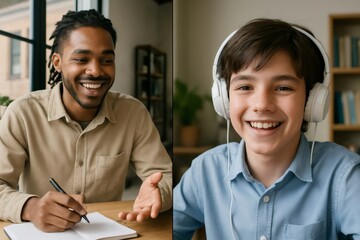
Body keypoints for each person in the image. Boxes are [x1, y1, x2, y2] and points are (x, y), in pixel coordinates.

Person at [173, 18, 360, 240]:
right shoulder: (206, 171)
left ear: (312, 101)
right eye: (245, 87)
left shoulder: (344, 175)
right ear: (224, 99)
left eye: (283, 87)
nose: (262, 105)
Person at [0, 9, 172, 232]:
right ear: (57, 62)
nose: (96, 71)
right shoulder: (23, 113)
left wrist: (160, 192)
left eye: (107, 60)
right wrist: (30, 207)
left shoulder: (133, 113)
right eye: (81, 59)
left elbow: (164, 176)